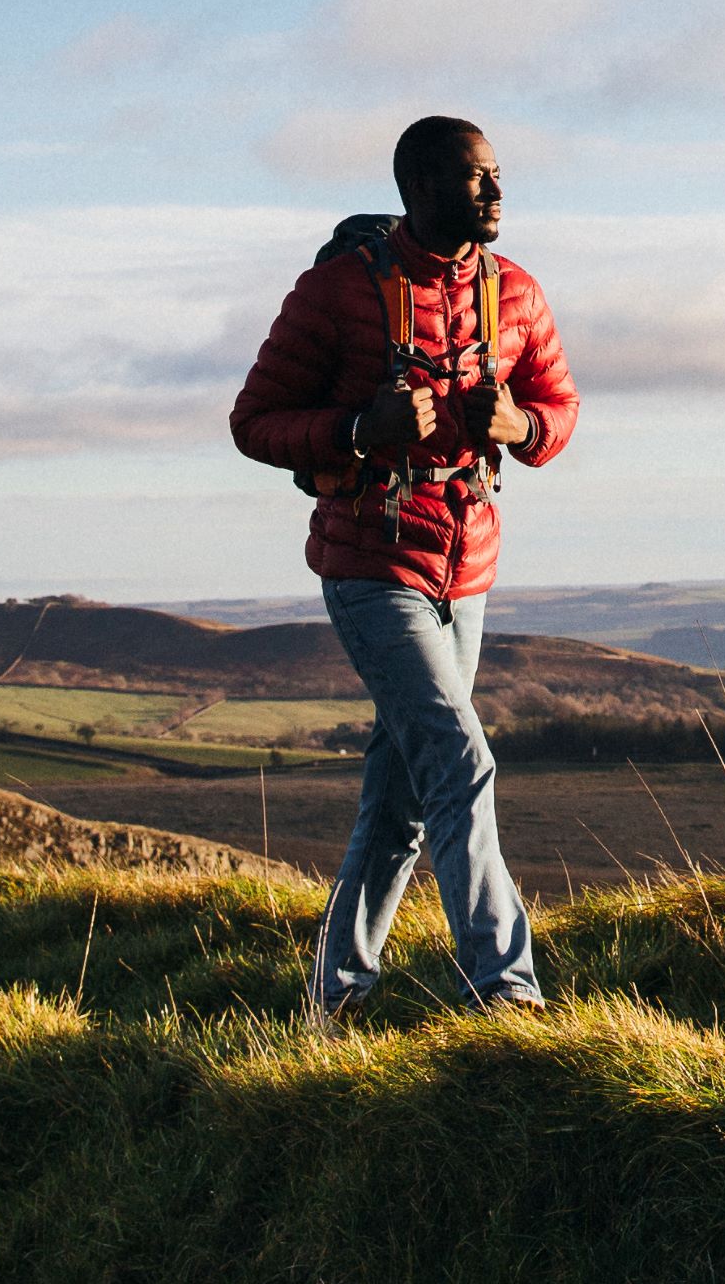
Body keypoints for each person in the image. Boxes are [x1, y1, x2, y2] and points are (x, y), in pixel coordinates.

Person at [227, 114, 579, 1018]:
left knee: (402, 807)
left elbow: (558, 404)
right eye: (476, 179)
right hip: (370, 563)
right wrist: (357, 431)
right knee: (459, 763)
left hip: (468, 569)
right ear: (418, 188)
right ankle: (505, 990)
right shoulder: (335, 294)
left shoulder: (519, 294)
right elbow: (254, 421)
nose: (498, 193)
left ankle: (335, 997)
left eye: (499, 175)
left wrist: (523, 429)